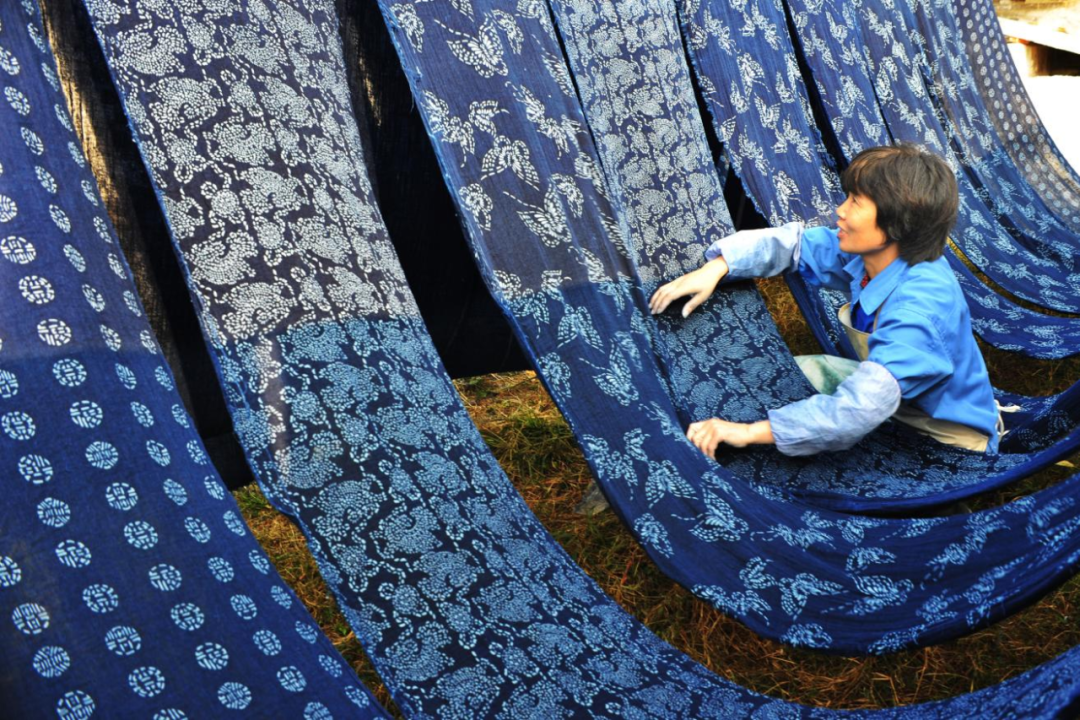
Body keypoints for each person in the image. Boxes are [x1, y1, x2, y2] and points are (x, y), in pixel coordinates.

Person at [649, 144, 1002, 459]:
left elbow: (858, 410)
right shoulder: (877, 256)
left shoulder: (918, 310)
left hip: (945, 437)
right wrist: (717, 268)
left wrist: (748, 433)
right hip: (897, 404)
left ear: (897, 222)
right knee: (783, 375)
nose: (840, 211)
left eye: (856, 202)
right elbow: (795, 245)